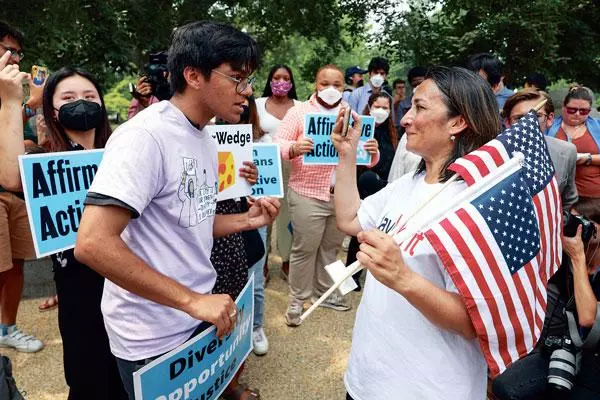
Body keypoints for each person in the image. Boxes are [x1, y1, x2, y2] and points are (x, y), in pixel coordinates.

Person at [74, 21, 279, 398]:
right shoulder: (144, 136)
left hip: (195, 319)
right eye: (236, 78)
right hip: (153, 333)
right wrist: (192, 300)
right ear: (193, 75)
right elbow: (92, 243)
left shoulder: (202, 135)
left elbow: (188, 220)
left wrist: (245, 220)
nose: (247, 92)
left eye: (248, 79)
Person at [333, 66, 500, 399]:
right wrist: (347, 154)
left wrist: (402, 277)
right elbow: (350, 219)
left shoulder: (481, 201)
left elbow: (476, 320)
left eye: (420, 108)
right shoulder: (406, 185)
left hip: (426, 388)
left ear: (458, 122)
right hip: (367, 379)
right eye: (409, 107)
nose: (404, 118)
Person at [276, 64, 380, 327]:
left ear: (344, 87)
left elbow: (366, 159)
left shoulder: (353, 117)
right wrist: (294, 147)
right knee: (304, 248)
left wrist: (371, 150)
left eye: (337, 84)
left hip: (342, 197)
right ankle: (297, 300)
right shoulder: (298, 113)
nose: (331, 89)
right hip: (307, 193)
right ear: (315, 84)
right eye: (325, 84)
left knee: (331, 248)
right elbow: (277, 143)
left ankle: (325, 292)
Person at [492, 199, 600, 399]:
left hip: (593, 362)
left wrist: (578, 259)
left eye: (582, 223)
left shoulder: (578, 259)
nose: (575, 228)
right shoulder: (567, 257)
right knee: (504, 386)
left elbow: (588, 319)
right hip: (562, 346)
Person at [0, 23, 45, 353]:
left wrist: (30, 105)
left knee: (17, 263)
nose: (13, 57)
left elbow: (18, 143)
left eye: (17, 52)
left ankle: (7, 327)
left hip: (17, 193)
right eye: (6, 48)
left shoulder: (12, 93)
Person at [347, 92, 398, 289]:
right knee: (359, 232)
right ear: (370, 106)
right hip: (363, 185)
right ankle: (352, 273)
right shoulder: (358, 129)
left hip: (384, 187)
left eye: (385, 108)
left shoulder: (392, 132)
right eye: (378, 106)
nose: (381, 111)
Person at [255, 65, 300, 284]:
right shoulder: (257, 105)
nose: (280, 81)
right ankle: (261, 262)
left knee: (287, 216)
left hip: (293, 167)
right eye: (276, 77)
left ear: (291, 83)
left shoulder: (300, 107)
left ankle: (286, 261)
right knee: (264, 213)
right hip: (264, 167)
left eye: (285, 78)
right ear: (269, 80)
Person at [503, 89, 578, 214]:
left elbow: (568, 200)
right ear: (508, 122)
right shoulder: (493, 154)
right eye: (519, 118)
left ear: (549, 119)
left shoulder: (566, 152)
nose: (528, 123)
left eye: (536, 116)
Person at [547, 86, 600, 200]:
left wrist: (587, 158)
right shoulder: (549, 127)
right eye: (572, 109)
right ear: (563, 107)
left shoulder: (598, 126)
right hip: (559, 196)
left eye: (583, 111)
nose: (577, 114)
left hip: (594, 195)